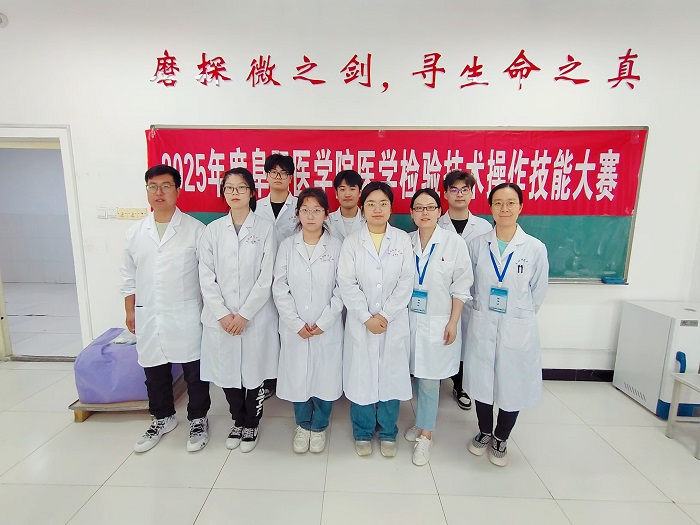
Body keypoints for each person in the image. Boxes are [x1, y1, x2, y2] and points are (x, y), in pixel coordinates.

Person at [120, 164, 211, 453]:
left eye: (166, 186)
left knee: (195, 372)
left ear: (178, 190)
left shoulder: (196, 231)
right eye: (153, 186)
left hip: (185, 313)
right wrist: (130, 310)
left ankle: (198, 419)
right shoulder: (135, 233)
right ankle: (162, 417)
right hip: (148, 313)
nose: (159, 192)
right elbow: (128, 277)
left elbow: (207, 276)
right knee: (154, 370)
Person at [464, 182, 549, 466]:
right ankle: (485, 431)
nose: (504, 208)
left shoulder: (534, 248)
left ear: (520, 207)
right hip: (483, 323)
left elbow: (538, 292)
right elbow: (468, 286)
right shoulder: (477, 245)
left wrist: (518, 316)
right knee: (482, 382)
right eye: (498, 203)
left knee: (513, 383)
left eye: (511, 202)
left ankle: (502, 436)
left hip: (516, 327)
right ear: (490, 207)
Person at [198, 168, 279, 453]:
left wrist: (244, 315)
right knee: (227, 372)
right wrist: (222, 314)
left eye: (241, 188)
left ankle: (252, 423)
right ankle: (238, 420)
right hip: (221, 318)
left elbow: (266, 277)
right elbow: (206, 277)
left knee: (254, 373)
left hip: (254, 317)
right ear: (223, 192)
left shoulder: (265, 229)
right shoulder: (212, 231)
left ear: (252, 192)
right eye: (229, 188)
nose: (235, 193)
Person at [338, 181, 414, 458]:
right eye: (371, 204)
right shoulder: (351, 242)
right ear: (363, 208)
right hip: (362, 323)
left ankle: (387, 431)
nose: (377, 209)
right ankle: (362, 430)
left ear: (391, 208)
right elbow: (346, 283)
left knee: (390, 377)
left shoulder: (402, 240)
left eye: (383, 203)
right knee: (362, 377)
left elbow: (406, 281)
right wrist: (366, 317)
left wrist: (385, 315)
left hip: (393, 322)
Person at [404, 189, 473, 466]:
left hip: (439, 321)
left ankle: (426, 435)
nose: (425, 213)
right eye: (419, 208)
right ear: (411, 213)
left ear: (439, 211)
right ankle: (422, 421)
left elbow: (462, 287)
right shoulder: (404, 242)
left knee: (431, 380)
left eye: (430, 207)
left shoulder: (454, 243)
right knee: (417, 375)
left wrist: (453, 322)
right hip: (409, 321)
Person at [273, 188, 344, 454]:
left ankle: (320, 425)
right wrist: (294, 322)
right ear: (298, 214)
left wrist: (325, 321)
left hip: (326, 326)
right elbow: (279, 287)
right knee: (297, 376)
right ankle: (303, 425)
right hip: (296, 327)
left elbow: (343, 288)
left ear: (326, 214)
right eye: (305, 210)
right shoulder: (287, 246)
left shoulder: (337, 247)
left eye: (316, 210)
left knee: (324, 376)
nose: (311, 215)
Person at [438, 170, 492, 411]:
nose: (459, 194)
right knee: (442, 339)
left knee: (468, 343)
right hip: (442, 296)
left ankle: (461, 386)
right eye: (454, 189)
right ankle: (435, 381)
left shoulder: (484, 227)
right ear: (445, 194)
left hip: (473, 297)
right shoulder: (436, 223)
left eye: (465, 189)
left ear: (472, 193)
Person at [255, 153, 298, 400]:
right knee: (266, 330)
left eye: (283, 173)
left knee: (290, 327)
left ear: (291, 177)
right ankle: (268, 380)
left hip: (292, 277)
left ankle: (289, 377)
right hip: (260, 277)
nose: (278, 177)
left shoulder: (300, 206)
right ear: (266, 176)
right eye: (274, 172)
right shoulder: (256, 207)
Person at [326, 169, 365, 240]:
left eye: (352, 189)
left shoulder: (368, 220)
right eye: (342, 189)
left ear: (360, 193)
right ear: (336, 194)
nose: (347, 194)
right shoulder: (327, 221)